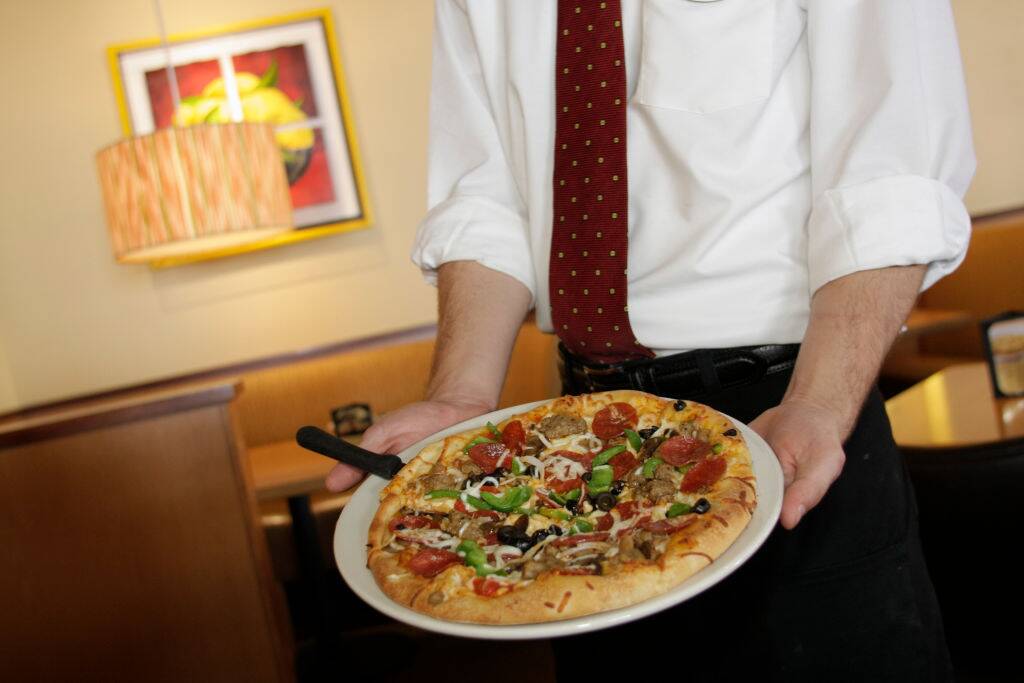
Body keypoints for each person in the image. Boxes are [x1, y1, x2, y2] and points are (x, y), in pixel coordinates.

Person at [327, 1, 974, 680]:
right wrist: (460, 395)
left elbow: (892, 172)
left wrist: (820, 402)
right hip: (574, 445)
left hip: (795, 414)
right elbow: (486, 197)